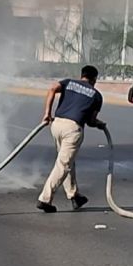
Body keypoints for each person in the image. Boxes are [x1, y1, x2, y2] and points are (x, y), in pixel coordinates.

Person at [36, 65, 107, 213]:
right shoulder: (96, 95)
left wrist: (47, 113)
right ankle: (45, 199)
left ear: (81, 75)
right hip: (72, 129)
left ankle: (74, 195)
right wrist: (99, 124)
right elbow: (90, 121)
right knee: (63, 164)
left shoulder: (68, 83)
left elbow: (51, 89)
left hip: (56, 125)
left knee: (67, 161)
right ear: (94, 79)